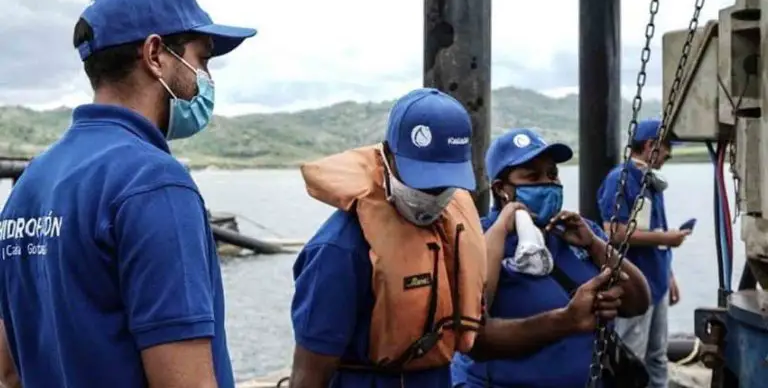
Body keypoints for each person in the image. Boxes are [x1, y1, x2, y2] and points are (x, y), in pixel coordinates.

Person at [0, 0, 256, 388]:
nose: (206, 77)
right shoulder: (154, 182)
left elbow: (10, 373)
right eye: (202, 58)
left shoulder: (31, 182)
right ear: (155, 54)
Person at [289, 89, 628, 388]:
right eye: (422, 180)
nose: (434, 195)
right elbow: (310, 375)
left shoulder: (453, 231)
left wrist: (566, 319)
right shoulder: (338, 251)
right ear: (387, 159)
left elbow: (475, 339)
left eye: (444, 183)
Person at [450, 128, 650, 388]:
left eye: (552, 174)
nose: (549, 183)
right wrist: (502, 228)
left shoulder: (577, 232)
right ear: (501, 189)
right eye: (533, 176)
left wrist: (594, 243)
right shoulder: (477, 235)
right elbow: (471, 332)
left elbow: (637, 302)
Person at [597, 118, 690, 388]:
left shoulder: (652, 182)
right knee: (631, 356)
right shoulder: (621, 179)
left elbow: (655, 230)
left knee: (658, 355)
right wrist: (666, 238)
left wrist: (669, 274)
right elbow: (612, 232)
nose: (668, 155)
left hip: (657, 281)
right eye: (666, 149)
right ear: (651, 146)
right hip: (633, 285)